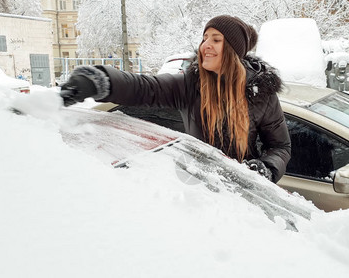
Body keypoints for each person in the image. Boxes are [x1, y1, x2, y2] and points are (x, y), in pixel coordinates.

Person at [60, 15, 291, 182]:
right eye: (204, 38)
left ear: (232, 50)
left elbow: (280, 146)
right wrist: (99, 80)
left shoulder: (261, 93)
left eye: (216, 39)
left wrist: (267, 168)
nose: (205, 46)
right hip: (198, 187)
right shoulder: (189, 85)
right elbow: (144, 88)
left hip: (245, 193)